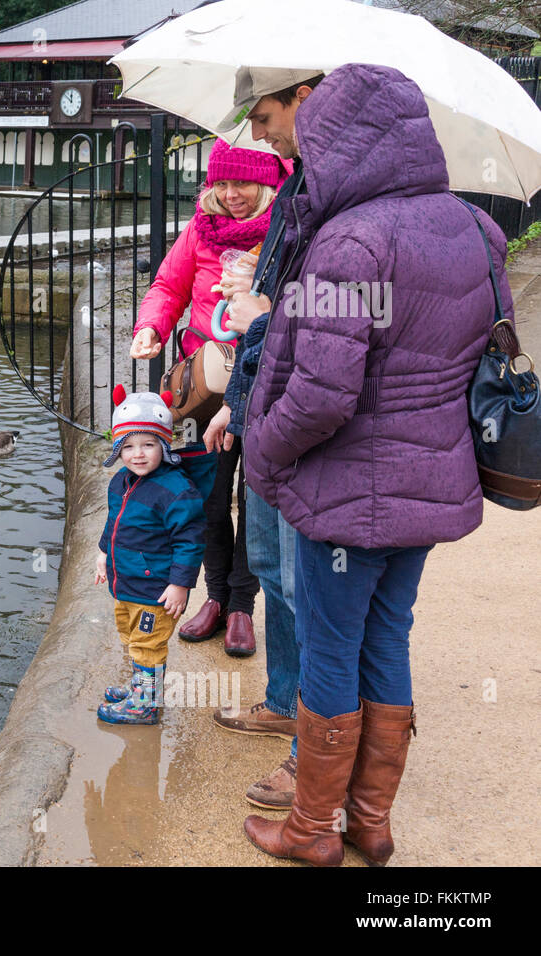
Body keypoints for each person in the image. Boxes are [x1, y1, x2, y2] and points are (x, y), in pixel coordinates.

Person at [235, 63, 506, 866]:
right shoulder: (476, 230)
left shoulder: (351, 242)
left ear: (341, 140)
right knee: (387, 641)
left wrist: (263, 450)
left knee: (327, 647)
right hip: (431, 487)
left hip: (350, 495)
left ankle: (311, 831)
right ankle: (372, 823)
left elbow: (321, 396)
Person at [202, 69, 322, 812]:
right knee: (274, 567)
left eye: (267, 115)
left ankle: (316, 763)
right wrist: (236, 409)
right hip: (266, 418)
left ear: (305, 102)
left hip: (301, 433)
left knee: (316, 594)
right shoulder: (303, 191)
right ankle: (282, 702)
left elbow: (322, 335)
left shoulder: (334, 205)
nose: (258, 132)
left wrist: (261, 316)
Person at [131, 140, 292, 657]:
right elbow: (167, 286)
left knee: (258, 498)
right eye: (220, 184)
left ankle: (243, 603)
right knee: (209, 496)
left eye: (241, 183)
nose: (230, 195)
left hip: (269, 382)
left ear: (268, 181)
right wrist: (151, 325)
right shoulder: (201, 230)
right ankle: (216, 596)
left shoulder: (288, 235)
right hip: (206, 389)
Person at [94, 388, 206, 725]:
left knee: (148, 644)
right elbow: (114, 522)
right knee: (132, 637)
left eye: (147, 444)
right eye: (127, 446)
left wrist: (180, 584)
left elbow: (190, 540)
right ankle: (140, 686)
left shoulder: (175, 490)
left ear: (164, 445)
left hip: (155, 589)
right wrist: (103, 553)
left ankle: (145, 704)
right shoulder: (120, 482)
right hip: (126, 583)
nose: (137, 455)